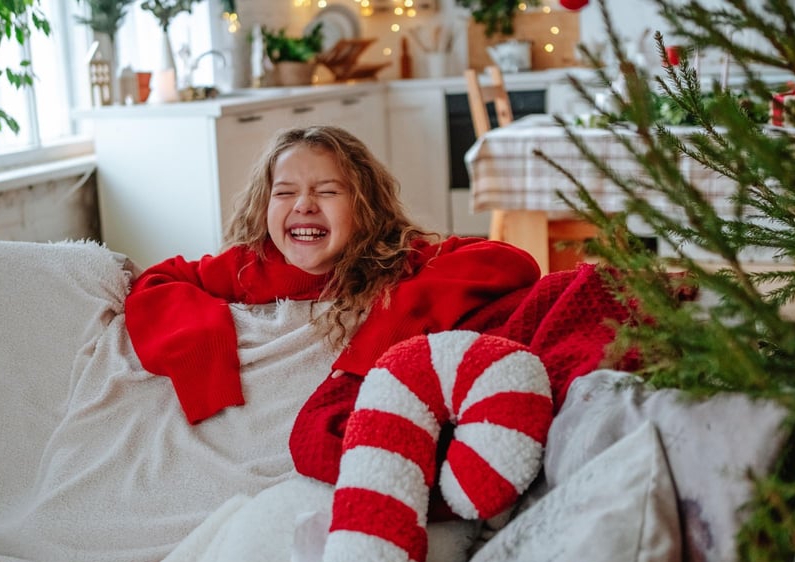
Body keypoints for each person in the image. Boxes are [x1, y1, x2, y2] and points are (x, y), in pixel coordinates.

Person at [124, 125, 542, 483]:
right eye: (285, 192)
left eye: (326, 191)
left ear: (364, 206)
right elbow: (160, 280)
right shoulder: (249, 267)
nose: (303, 204)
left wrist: (385, 334)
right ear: (264, 204)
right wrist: (206, 364)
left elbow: (510, 261)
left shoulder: (393, 257)